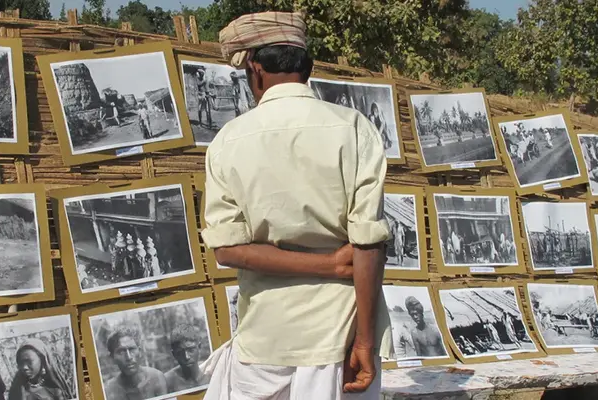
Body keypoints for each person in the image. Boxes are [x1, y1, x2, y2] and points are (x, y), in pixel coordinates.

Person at [200, 11, 391, 399]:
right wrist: (365, 345)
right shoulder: (354, 127)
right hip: (340, 337)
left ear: (254, 68)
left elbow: (227, 249)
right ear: (306, 64)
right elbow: (369, 246)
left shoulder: (228, 140)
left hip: (267, 339)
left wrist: (327, 264)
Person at [103, 329, 168, 399]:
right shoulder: (108, 391)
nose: (129, 357)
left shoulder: (157, 378)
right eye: (121, 352)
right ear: (112, 357)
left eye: (132, 349)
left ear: (139, 351)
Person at [8, 339, 75, 400]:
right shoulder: (17, 392)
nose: (24, 367)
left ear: (42, 360)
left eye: (29, 361)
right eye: (21, 363)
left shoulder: (55, 390)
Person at [164, 328, 208, 392]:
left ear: (199, 347)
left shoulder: (211, 372)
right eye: (180, 352)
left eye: (191, 350)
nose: (187, 357)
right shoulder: (167, 382)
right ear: (174, 354)